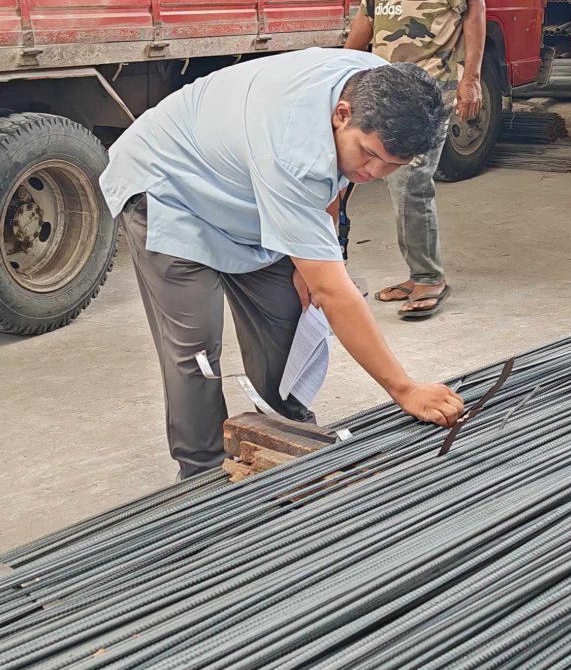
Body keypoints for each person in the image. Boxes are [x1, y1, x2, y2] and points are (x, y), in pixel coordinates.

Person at [99, 48, 464, 479]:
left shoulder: (384, 87)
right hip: (171, 186)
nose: (374, 172)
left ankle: (284, 433)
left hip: (247, 184)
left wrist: (316, 250)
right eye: (368, 154)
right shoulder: (293, 147)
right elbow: (332, 290)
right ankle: (203, 476)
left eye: (392, 165)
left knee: (286, 317)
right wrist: (404, 389)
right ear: (342, 114)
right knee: (195, 350)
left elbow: (334, 178)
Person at [345, 0, 488, 320]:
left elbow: (473, 6)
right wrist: (342, 69)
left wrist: (470, 77)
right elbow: (367, 12)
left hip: (433, 83)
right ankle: (418, 272)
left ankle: (428, 277)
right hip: (387, 84)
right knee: (394, 180)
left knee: (411, 180)